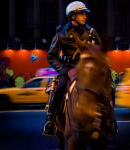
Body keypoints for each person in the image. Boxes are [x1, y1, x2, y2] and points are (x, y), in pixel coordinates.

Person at [42, 1, 102, 136]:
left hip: (89, 69)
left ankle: (110, 121)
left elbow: (100, 52)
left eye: (85, 14)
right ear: (73, 16)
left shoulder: (92, 32)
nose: (85, 16)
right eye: (82, 14)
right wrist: (63, 69)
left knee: (108, 86)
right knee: (60, 87)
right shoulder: (61, 33)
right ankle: (50, 121)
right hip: (70, 69)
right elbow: (51, 55)